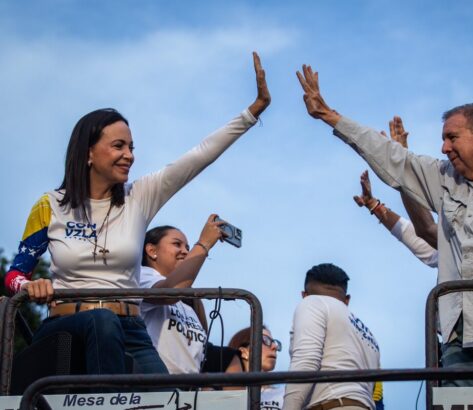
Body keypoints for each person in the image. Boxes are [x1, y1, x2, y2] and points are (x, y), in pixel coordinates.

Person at [296, 65, 473, 386]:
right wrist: (329, 115)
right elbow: (393, 159)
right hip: (457, 339)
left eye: (451, 137)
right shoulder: (444, 177)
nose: (444, 148)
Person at [4, 52, 271, 376]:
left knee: (167, 395)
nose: (129, 155)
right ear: (88, 152)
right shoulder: (51, 204)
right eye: (118, 146)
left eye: (132, 147)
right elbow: (14, 274)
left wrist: (252, 112)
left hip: (129, 328)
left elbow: (199, 156)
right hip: (66, 330)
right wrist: (30, 287)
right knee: (100, 324)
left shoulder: (140, 196)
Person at [139, 218, 242, 374]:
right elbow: (169, 292)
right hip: (157, 386)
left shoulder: (188, 304)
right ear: (152, 251)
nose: (186, 251)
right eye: (177, 244)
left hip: (189, 391)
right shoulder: (140, 276)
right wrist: (203, 244)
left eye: (187, 247)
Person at [283, 263, 380, 410]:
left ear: (303, 296)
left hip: (331, 404)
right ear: (347, 300)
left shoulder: (312, 302)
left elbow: (306, 361)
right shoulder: (369, 336)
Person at [228, 326, 284, 410]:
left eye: (274, 342)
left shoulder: (286, 393)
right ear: (244, 352)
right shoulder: (224, 395)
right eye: (265, 340)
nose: (275, 346)